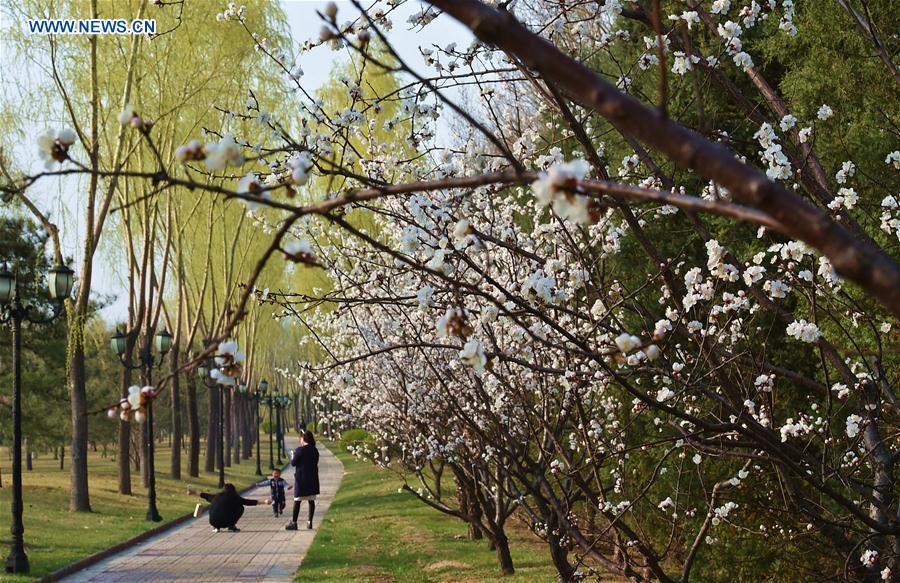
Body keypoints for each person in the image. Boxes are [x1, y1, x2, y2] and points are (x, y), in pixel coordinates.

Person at [188, 483, 272, 532]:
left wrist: (193, 492)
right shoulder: (235, 497)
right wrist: (264, 502)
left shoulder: (216, 496)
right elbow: (248, 502)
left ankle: (216, 527)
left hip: (213, 522)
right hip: (227, 522)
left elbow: (204, 495)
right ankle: (231, 526)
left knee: (215, 507)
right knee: (241, 508)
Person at [285, 430, 320, 530]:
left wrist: (292, 456)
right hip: (312, 478)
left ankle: (294, 523)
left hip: (301, 479)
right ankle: (310, 522)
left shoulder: (300, 450)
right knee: (311, 500)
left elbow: (293, 463)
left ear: (303, 438)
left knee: (297, 501)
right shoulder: (315, 450)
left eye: (300, 438)